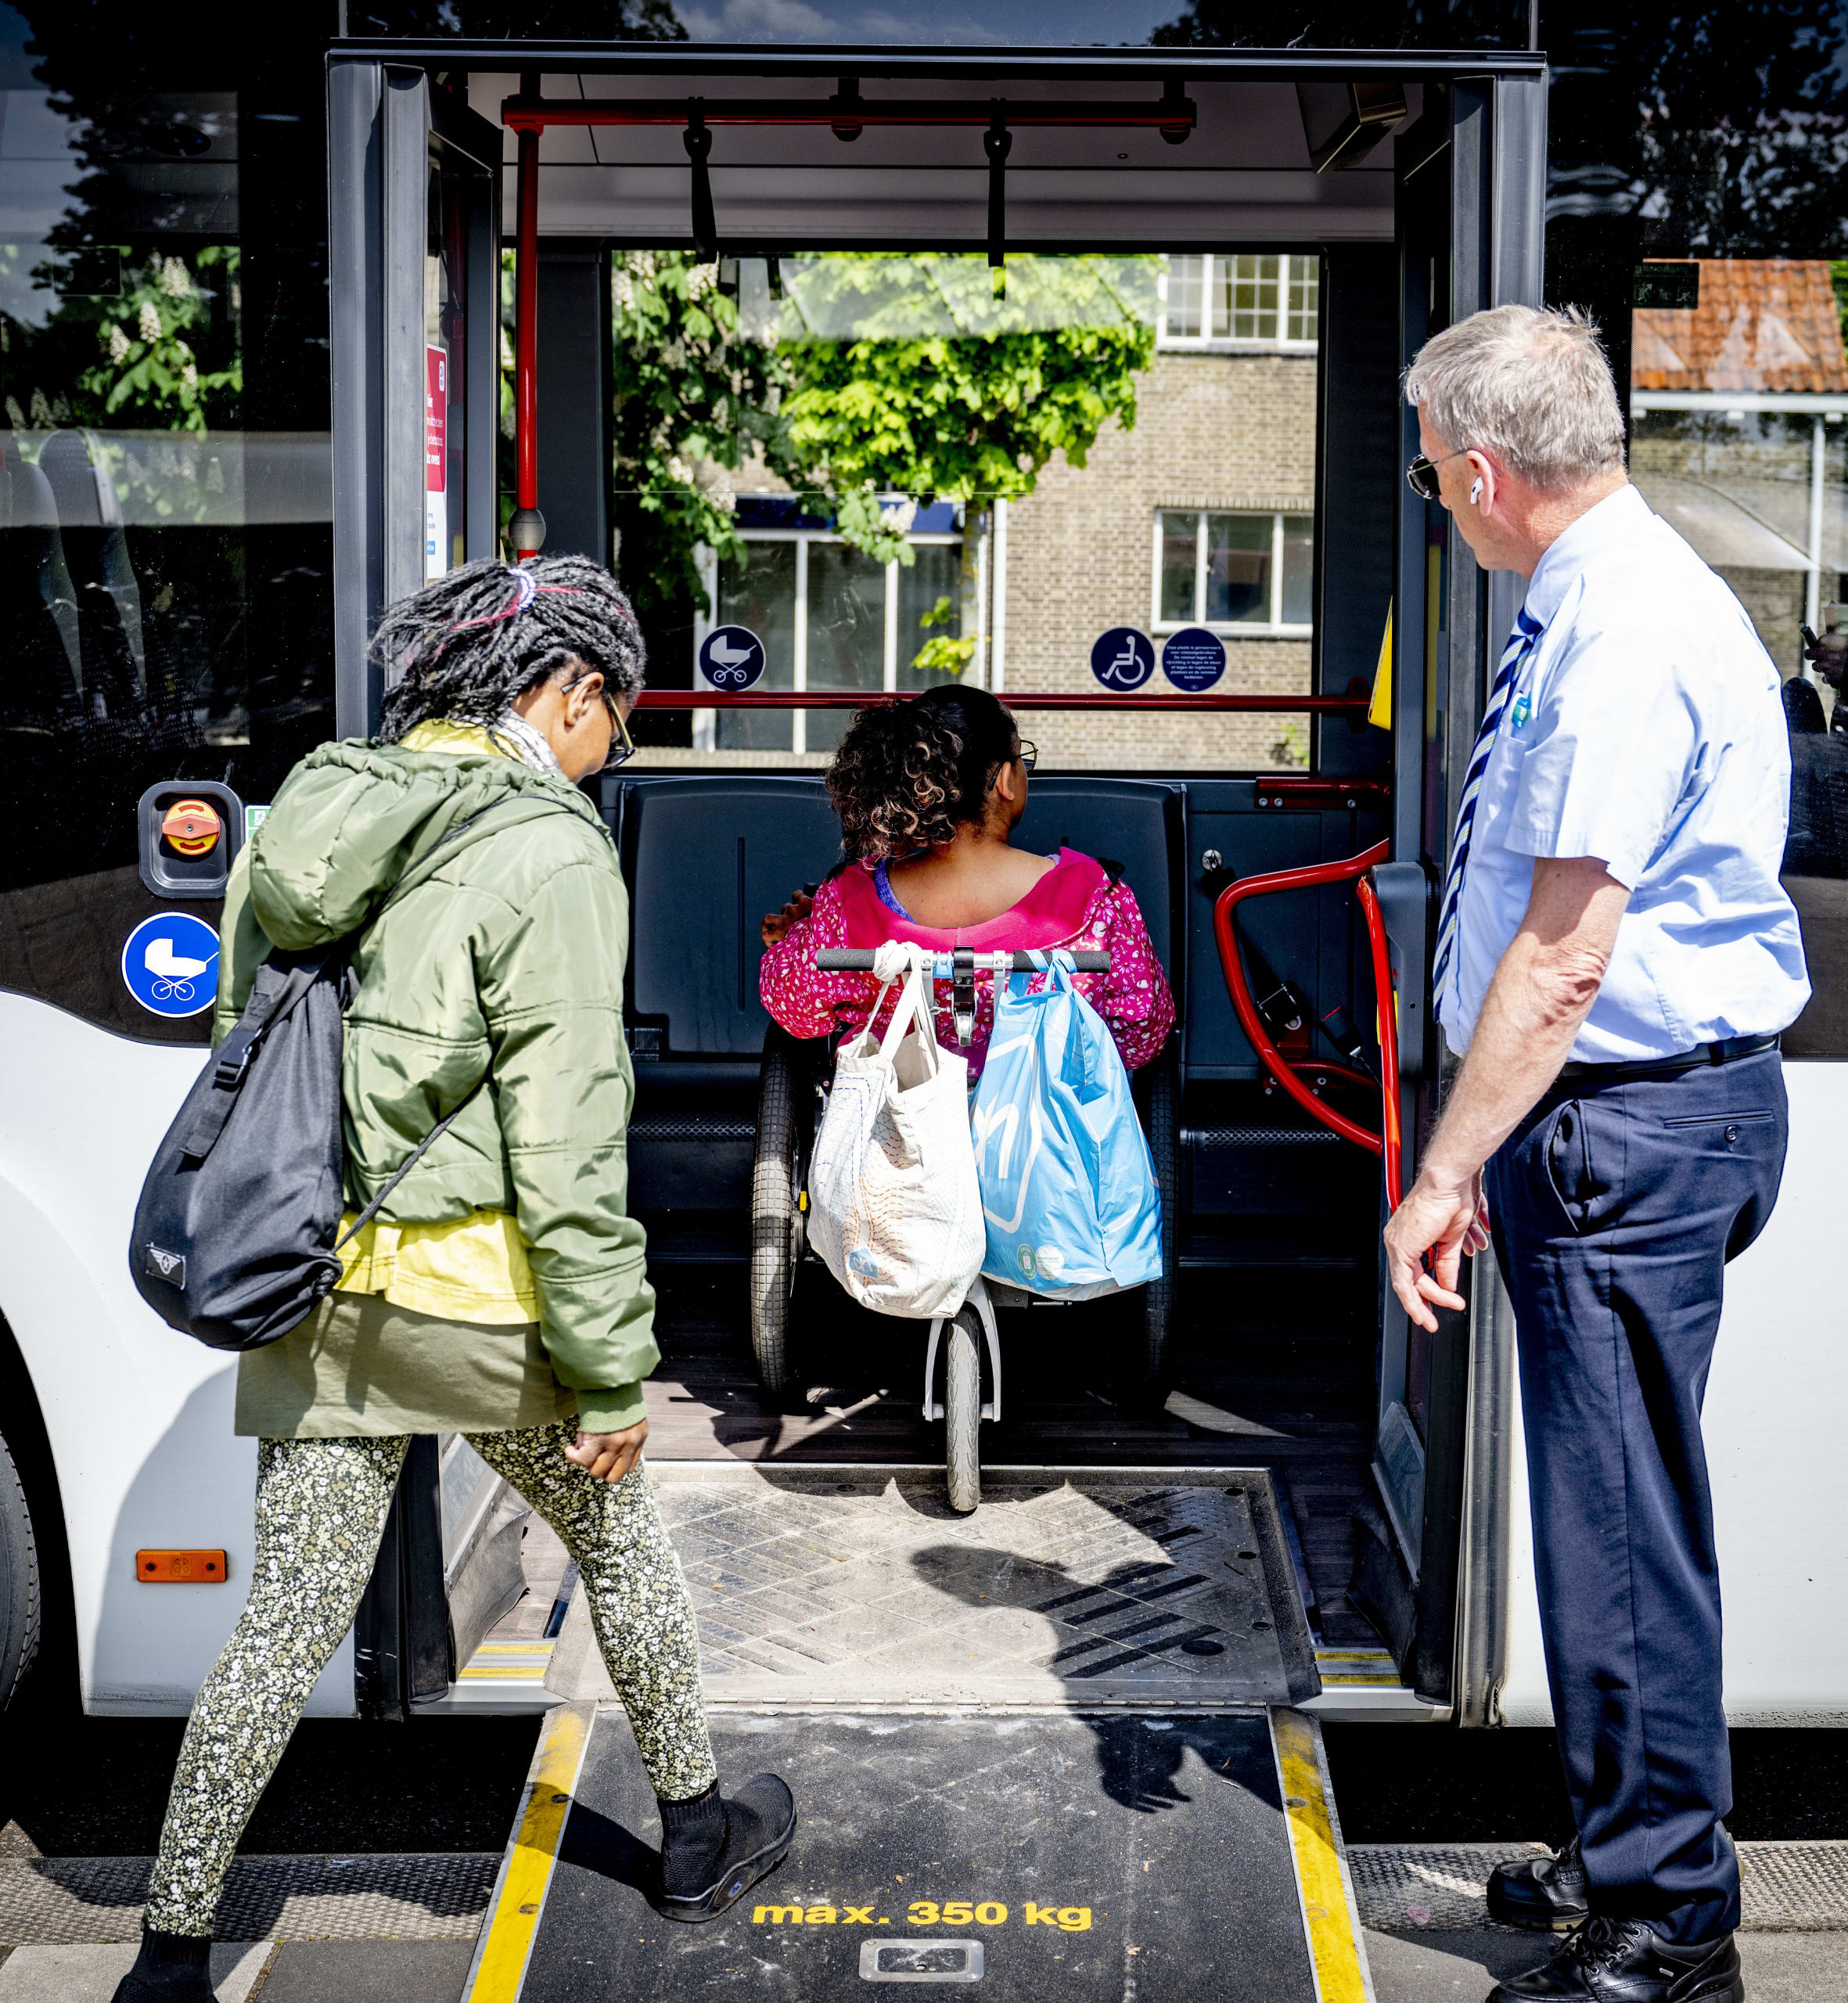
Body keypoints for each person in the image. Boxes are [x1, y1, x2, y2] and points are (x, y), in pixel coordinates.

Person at [112, 555, 793, 2003]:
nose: (614, 746)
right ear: (568, 692)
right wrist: (612, 1369)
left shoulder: (311, 809)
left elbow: (249, 1042)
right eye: (618, 714)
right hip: (478, 1301)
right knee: (618, 1543)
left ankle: (172, 1948)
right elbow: (567, 1136)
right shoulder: (548, 848)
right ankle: (691, 1832)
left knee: (283, 1621)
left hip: (313, 1286)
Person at [1381, 307, 1807, 2003]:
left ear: (1486, 472)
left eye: (1435, 480)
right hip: (1620, 1118)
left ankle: (1668, 1923)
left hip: (1621, 1125)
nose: (1441, 506)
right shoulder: (1614, 602)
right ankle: (1627, 1839)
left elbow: (1563, 956)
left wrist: (1441, 1166)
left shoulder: (1619, 633)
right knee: (1609, 1513)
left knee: (1620, 1530)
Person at [758, 683, 1173, 1074]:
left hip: (896, 1133)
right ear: (1006, 782)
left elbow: (797, 1012)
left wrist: (801, 935)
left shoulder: (849, 900)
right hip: (1049, 1136)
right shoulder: (1095, 896)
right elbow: (1140, 1036)